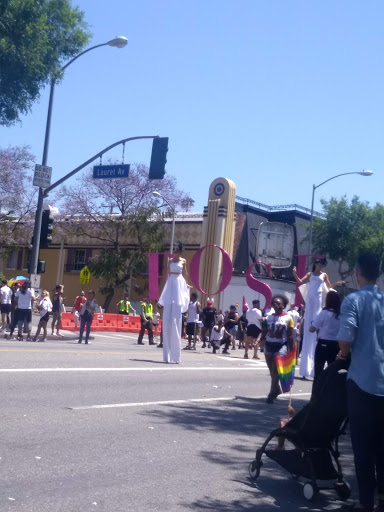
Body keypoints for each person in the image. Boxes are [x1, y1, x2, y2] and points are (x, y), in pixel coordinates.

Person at [337, 252, 384, 512]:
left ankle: (366, 502)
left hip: (362, 384)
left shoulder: (353, 300)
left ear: (357, 273)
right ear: (377, 273)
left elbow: (345, 339)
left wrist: (343, 354)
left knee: (363, 446)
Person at [293, 257, 344, 378]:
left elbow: (329, 286)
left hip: (318, 297)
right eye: (318, 263)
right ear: (315, 264)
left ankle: (316, 327)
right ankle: (305, 368)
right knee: (309, 321)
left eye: (322, 264)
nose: (320, 265)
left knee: (316, 317)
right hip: (310, 298)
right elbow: (300, 281)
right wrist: (294, 273)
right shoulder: (310, 274)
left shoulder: (324, 275)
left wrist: (336, 284)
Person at [158, 241, 190, 364]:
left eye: (177, 251)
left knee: (176, 319)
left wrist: (186, 283)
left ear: (180, 252)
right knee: (167, 318)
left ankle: (176, 356)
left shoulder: (183, 261)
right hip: (171, 283)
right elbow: (167, 275)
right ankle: (167, 355)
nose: (175, 253)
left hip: (179, 282)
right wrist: (164, 290)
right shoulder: (170, 261)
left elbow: (185, 273)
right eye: (174, 251)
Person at [259, 294, 293, 404]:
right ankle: (276, 388)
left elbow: (290, 335)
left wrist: (292, 350)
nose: (276, 305)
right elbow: (264, 330)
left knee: (275, 371)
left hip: (281, 346)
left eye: (279, 303)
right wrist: (259, 340)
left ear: (284, 305)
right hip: (269, 345)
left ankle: (271, 394)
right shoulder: (268, 317)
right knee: (271, 371)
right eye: (274, 303)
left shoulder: (288, 318)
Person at [309, 289, 341, 393]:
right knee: (332, 372)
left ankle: (315, 397)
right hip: (335, 345)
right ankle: (329, 396)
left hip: (323, 343)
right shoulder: (341, 315)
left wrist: (314, 323)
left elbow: (311, 329)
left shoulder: (324, 313)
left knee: (318, 372)